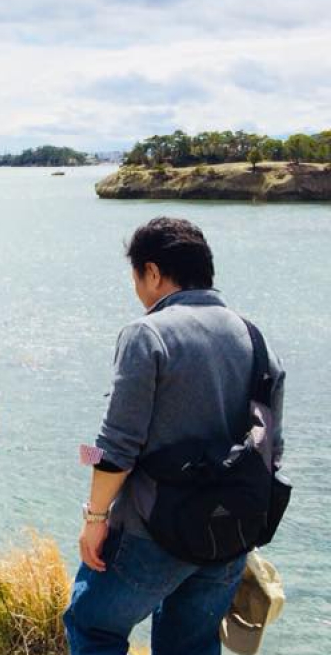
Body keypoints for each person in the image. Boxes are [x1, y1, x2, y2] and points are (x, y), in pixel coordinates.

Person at [64, 217, 286, 655]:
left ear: (152, 272)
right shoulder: (256, 338)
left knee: (92, 626)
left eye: (136, 278)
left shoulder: (146, 334)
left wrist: (94, 519)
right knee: (191, 645)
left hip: (152, 532)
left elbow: (117, 448)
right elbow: (271, 449)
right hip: (229, 531)